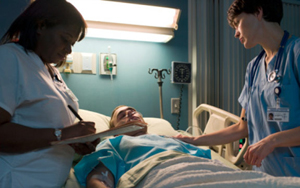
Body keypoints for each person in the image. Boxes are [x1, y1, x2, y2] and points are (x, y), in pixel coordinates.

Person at [175, 0, 300, 177]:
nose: (235, 33)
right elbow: (242, 128)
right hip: (264, 174)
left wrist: (272, 140)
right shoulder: (253, 68)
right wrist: (194, 140)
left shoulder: (296, 54)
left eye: (237, 23)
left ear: (258, 12)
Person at [0, 0, 99, 187]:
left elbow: (46, 132)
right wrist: (63, 135)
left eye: (72, 44)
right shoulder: (9, 58)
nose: (69, 50)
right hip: (17, 180)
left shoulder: (51, 72)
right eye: (65, 39)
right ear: (41, 26)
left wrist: (75, 142)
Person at [73, 105, 211, 188]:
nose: (129, 113)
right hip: (161, 176)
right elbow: (98, 179)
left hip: (203, 171)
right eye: (122, 116)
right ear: (115, 131)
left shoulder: (173, 140)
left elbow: (204, 161)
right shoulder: (114, 143)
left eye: (132, 111)